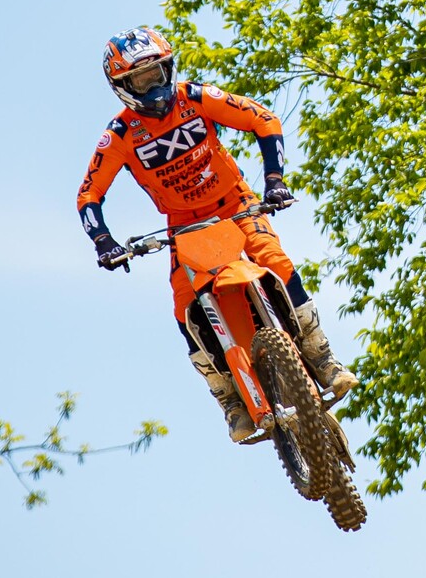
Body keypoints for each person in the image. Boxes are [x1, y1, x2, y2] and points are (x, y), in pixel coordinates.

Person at [77, 26, 354, 442]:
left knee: (277, 262)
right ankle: (228, 399)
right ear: (123, 87)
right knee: (183, 309)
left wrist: (274, 180)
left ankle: (323, 357)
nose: (153, 85)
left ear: (169, 67)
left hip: (237, 203)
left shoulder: (195, 97)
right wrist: (105, 243)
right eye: (141, 80)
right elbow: (88, 195)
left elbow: (263, 119)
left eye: (157, 73)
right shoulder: (118, 134)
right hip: (182, 227)